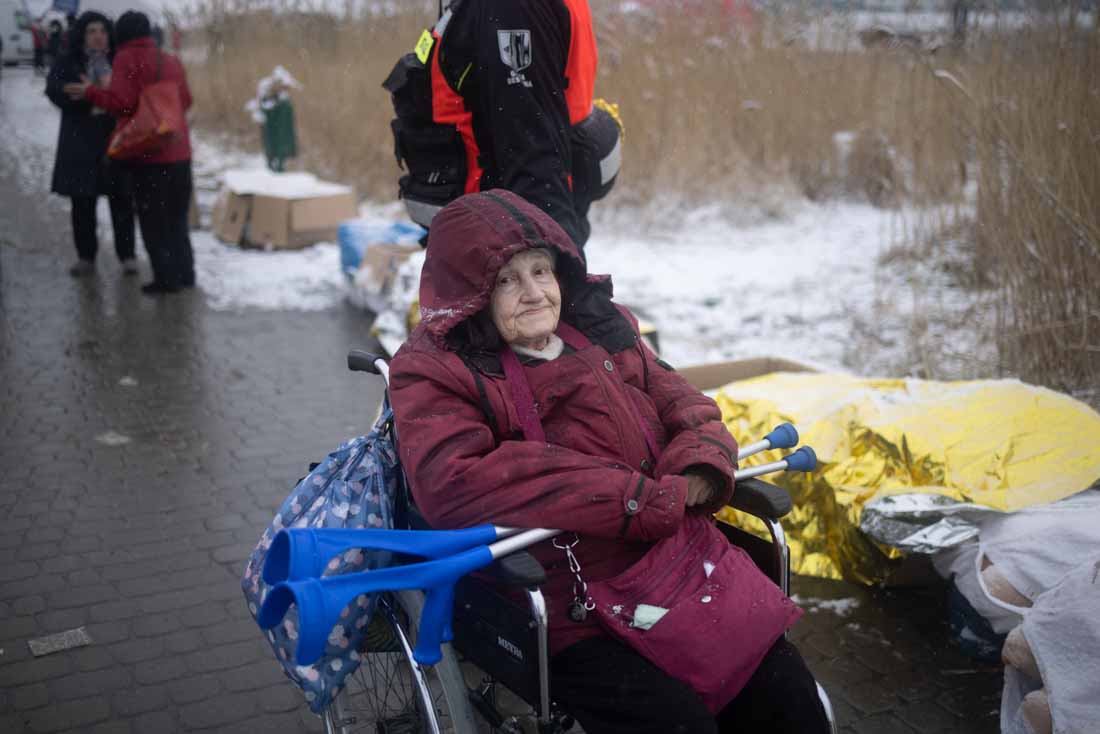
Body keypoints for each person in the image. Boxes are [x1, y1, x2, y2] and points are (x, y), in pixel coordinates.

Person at [389, 190, 830, 734]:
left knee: (789, 701)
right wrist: (634, 498)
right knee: (678, 725)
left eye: (540, 271)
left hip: (677, 565)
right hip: (566, 598)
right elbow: (452, 481)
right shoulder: (436, 370)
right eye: (506, 280)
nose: (533, 293)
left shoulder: (599, 327)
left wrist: (698, 466)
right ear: (469, 293)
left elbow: (683, 401)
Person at [383, 0, 621, 249]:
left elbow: (536, 158)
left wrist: (556, 268)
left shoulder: (510, 8)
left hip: (497, 249)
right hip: (489, 240)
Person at [66, 11, 195, 295]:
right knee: (176, 217)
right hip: (179, 151)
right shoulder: (169, 59)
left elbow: (122, 104)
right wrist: (164, 117)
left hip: (148, 154)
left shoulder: (126, 58)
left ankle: (166, 278)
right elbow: (185, 100)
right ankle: (186, 274)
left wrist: (91, 92)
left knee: (153, 220)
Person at [45, 11, 137, 277]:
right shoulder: (69, 61)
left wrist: (103, 92)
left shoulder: (119, 60)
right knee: (82, 202)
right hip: (80, 139)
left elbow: (130, 97)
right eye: (91, 31)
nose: (98, 36)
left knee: (121, 200)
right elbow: (54, 89)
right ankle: (86, 257)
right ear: (82, 35)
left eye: (102, 31)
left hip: (113, 138)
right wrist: (84, 96)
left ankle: (127, 255)